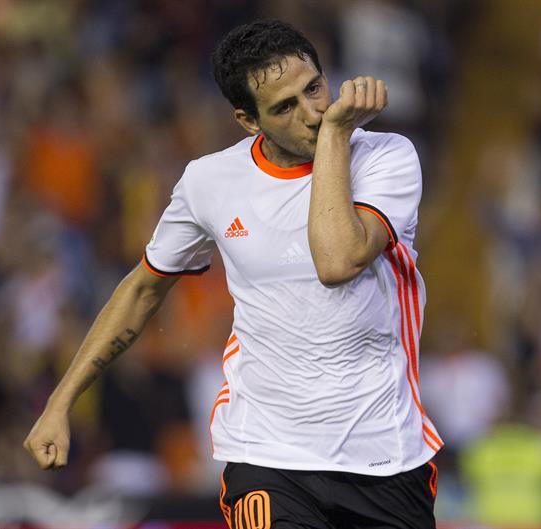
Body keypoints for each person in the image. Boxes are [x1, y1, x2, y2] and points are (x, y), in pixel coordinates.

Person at [24, 19, 442, 529]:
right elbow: (141, 291)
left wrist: (337, 134)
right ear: (247, 121)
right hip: (266, 454)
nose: (312, 113)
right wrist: (60, 402)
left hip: (385, 456)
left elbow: (338, 260)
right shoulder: (209, 181)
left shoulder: (386, 157)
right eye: (284, 107)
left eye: (314, 89)